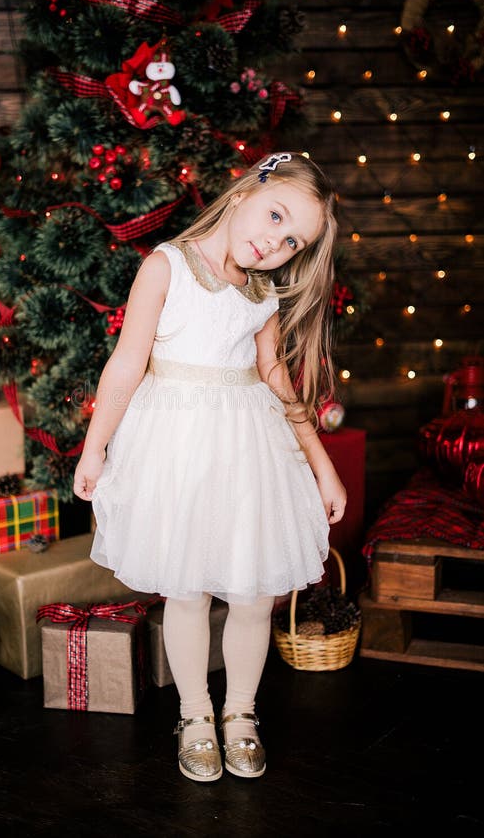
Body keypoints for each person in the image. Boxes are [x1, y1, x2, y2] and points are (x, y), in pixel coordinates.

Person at [73, 151, 347, 783]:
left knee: (254, 595)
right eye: (275, 216)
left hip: (247, 451)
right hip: (176, 449)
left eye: (291, 241)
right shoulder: (166, 265)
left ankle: (240, 714)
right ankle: (196, 714)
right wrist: (96, 447)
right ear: (250, 188)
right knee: (187, 590)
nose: (273, 243)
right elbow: (126, 364)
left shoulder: (260, 291)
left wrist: (322, 467)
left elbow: (278, 381)